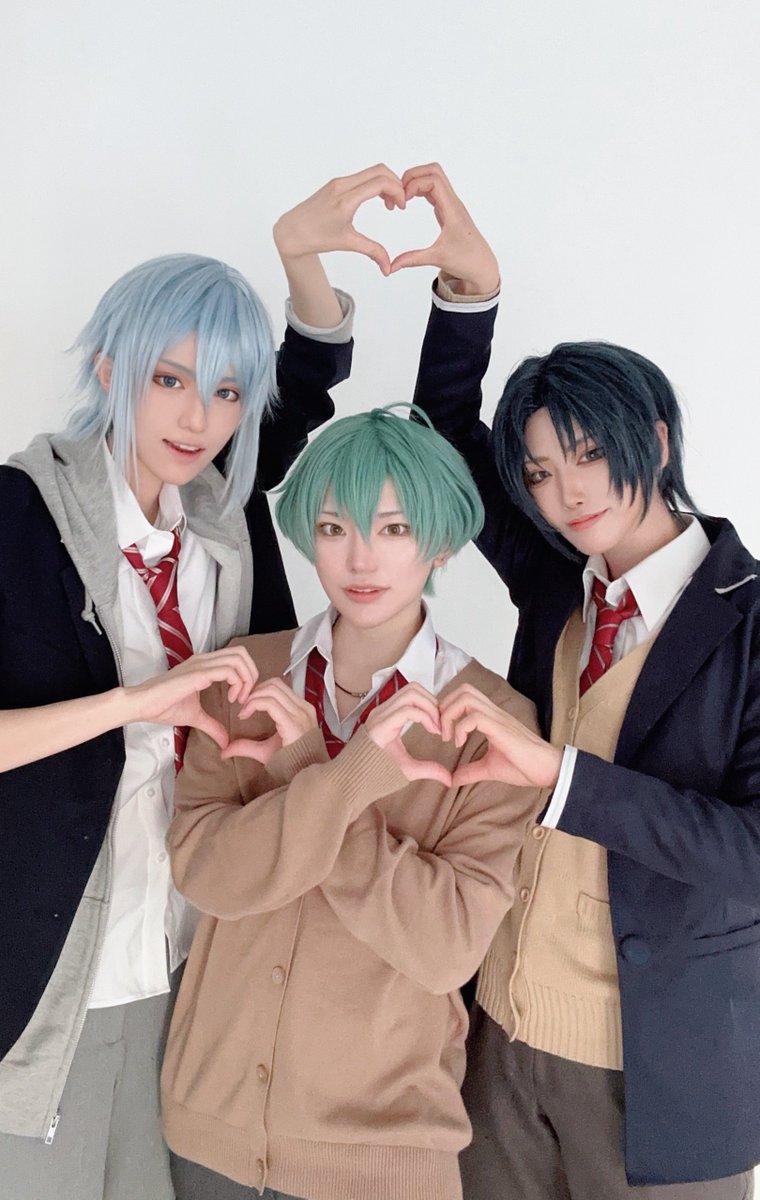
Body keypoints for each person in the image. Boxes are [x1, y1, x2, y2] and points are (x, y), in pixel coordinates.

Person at [0, 165, 406, 1200]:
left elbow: (308, 377)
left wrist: (297, 252)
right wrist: (136, 704)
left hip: (191, 962)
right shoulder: (18, 514)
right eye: (170, 379)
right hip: (50, 974)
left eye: (225, 391)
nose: (198, 417)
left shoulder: (223, 521)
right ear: (110, 366)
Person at [399, 163, 759, 1197]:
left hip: (659, 1077)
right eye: (541, 472)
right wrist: (471, 292)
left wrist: (560, 780)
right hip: (499, 1045)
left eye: (589, 454)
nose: (566, 493)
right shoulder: (557, 583)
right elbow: (446, 436)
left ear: (656, 440)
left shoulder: (750, 622)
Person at [160, 406, 542, 1200]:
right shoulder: (243, 675)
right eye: (334, 528)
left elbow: (444, 946)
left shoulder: (493, 724)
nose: (361, 557)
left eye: (394, 529)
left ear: (440, 542)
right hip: (208, 1136)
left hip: (381, 1157)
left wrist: (316, 774)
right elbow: (205, 873)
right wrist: (340, 785)